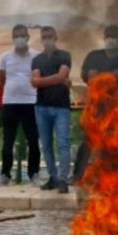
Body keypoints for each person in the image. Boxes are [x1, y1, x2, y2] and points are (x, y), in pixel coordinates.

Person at [74, 24, 118, 182]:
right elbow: (87, 76)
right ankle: (78, 175)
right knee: (89, 140)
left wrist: (103, 77)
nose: (110, 39)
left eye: (114, 35)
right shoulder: (94, 56)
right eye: (108, 35)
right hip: (98, 106)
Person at [0, 24, 42, 187]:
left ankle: (34, 174)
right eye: (16, 36)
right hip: (10, 103)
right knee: (8, 141)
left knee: (33, 141)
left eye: (22, 35)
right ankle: (5, 175)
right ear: (13, 38)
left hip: (31, 102)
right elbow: (1, 80)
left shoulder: (37, 56)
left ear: (28, 37)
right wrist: (11, 92)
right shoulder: (5, 57)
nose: (19, 39)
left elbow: (40, 78)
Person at [31, 25, 73, 194]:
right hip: (42, 107)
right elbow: (34, 82)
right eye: (44, 36)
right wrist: (57, 79)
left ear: (56, 37)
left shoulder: (65, 55)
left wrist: (45, 80)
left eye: (50, 36)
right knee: (46, 146)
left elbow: (62, 76)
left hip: (61, 107)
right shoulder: (37, 59)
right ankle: (52, 177)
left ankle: (63, 179)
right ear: (41, 39)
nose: (47, 39)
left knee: (63, 143)